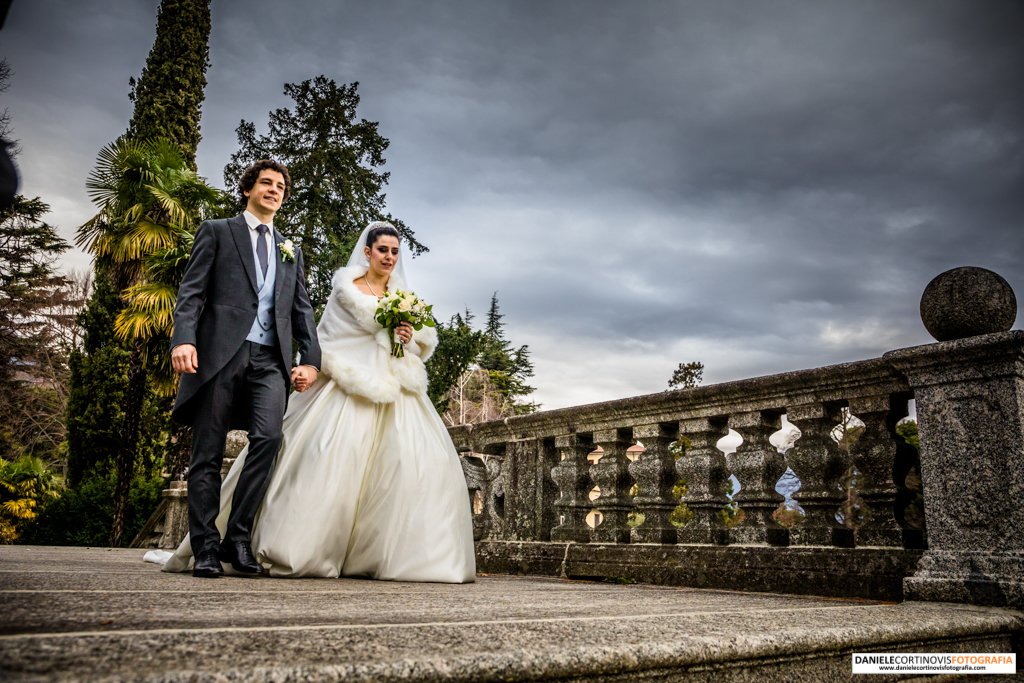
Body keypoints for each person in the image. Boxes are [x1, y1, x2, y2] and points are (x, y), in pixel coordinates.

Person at [161, 220, 475, 583]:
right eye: (383, 250)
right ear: (368, 252)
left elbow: (415, 346)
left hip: (398, 393)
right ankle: (236, 542)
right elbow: (323, 335)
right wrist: (310, 366)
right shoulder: (347, 293)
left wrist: (408, 336)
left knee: (414, 469)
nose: (389, 257)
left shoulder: (403, 297)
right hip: (349, 386)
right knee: (324, 458)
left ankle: (384, 554)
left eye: (394, 251)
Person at [169, 159, 321, 578]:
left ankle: (238, 538)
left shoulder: (291, 250)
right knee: (208, 449)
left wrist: (310, 360)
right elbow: (192, 291)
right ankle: (204, 546)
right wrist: (183, 338)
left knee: (269, 439)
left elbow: (301, 308)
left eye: (280, 186)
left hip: (270, 359)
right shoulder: (218, 231)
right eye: (266, 183)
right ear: (248, 189)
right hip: (218, 354)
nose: (274, 190)